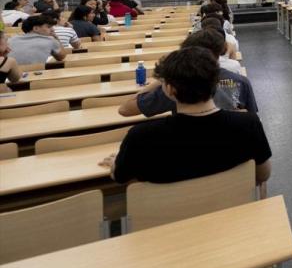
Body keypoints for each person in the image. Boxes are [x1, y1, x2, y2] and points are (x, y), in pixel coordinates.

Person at [102, 46, 271, 186]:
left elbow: (120, 178)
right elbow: (263, 175)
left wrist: (116, 163)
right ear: (215, 83)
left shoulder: (140, 137)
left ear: (169, 89)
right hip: (231, 214)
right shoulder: (249, 123)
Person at [120, 30, 259, 117]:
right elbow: (252, 116)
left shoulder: (178, 86)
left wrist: (163, 80)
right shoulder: (240, 81)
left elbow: (125, 110)